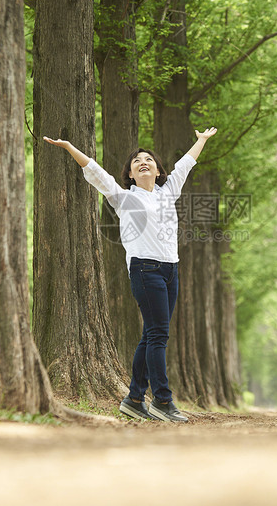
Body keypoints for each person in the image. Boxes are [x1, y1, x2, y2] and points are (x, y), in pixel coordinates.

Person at [43, 128, 217, 422]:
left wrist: (200, 141)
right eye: (137, 162)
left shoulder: (168, 192)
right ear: (131, 174)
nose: (143, 162)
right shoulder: (124, 198)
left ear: (158, 171)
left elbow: (185, 164)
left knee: (151, 334)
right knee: (159, 335)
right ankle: (162, 400)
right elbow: (96, 172)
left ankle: (134, 399)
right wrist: (69, 147)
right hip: (145, 269)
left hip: (170, 270)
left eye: (149, 160)